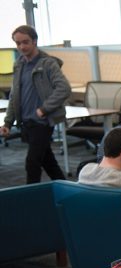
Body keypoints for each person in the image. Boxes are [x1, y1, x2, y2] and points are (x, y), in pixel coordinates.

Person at [1, 25, 70, 184]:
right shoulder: (19, 65)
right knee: (49, 163)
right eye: (18, 43)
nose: (22, 47)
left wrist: (44, 109)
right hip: (27, 122)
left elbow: (64, 88)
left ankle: (31, 200)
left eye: (25, 42)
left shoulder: (48, 64)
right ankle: (67, 192)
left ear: (34, 41)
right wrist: (8, 122)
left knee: (32, 163)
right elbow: (14, 96)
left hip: (42, 121)